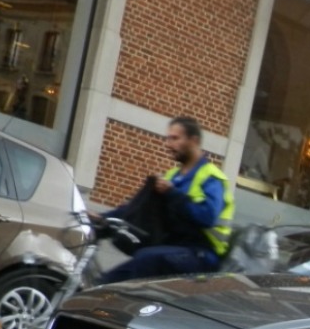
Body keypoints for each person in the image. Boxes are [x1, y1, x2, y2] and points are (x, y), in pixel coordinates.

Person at [97, 116, 234, 284]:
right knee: (107, 282)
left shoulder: (212, 177)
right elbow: (138, 208)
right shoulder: (171, 177)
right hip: (173, 249)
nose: (168, 144)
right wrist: (102, 218)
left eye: (175, 138)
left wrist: (172, 193)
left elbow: (207, 217)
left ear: (194, 140)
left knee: (146, 259)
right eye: (167, 138)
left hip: (202, 254)